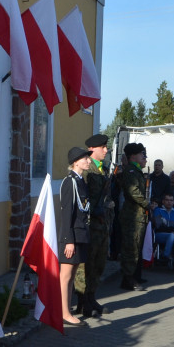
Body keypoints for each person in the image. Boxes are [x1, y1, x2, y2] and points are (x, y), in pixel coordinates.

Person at [74, 133, 113, 318]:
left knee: (98, 264)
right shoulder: (87, 171)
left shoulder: (103, 170)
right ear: (92, 149)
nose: (106, 150)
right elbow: (83, 199)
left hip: (102, 225)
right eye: (103, 147)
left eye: (106, 147)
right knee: (86, 265)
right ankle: (82, 301)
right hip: (90, 226)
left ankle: (91, 296)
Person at [58, 147, 92, 326]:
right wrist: (68, 240)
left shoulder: (81, 182)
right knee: (65, 276)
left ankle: (66, 310)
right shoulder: (69, 182)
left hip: (81, 234)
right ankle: (64, 312)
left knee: (71, 277)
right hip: (71, 237)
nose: (88, 161)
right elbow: (66, 214)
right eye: (85, 158)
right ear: (76, 162)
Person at [119, 143, 150, 291]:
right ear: (133, 156)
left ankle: (134, 276)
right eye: (141, 154)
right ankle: (128, 279)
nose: (143, 156)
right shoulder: (131, 171)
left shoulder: (136, 171)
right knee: (131, 249)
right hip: (132, 217)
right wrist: (147, 204)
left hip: (138, 216)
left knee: (136, 247)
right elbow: (134, 192)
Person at [152, 193, 174, 268]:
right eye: (167, 200)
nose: (169, 202)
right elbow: (159, 226)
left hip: (172, 236)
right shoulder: (158, 210)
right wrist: (173, 229)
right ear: (163, 201)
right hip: (159, 235)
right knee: (171, 235)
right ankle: (165, 257)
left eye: (171, 200)